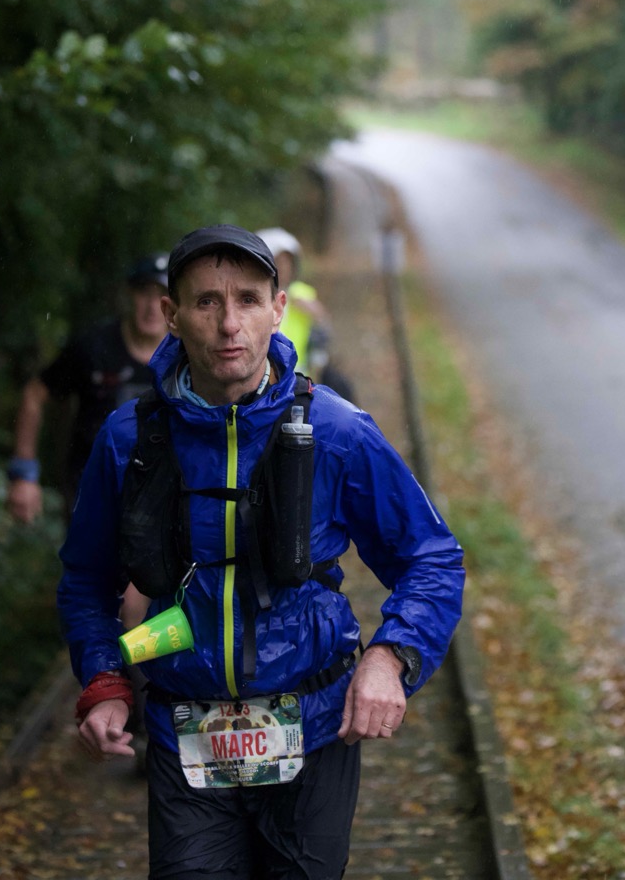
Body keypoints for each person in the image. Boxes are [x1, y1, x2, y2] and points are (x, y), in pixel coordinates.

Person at [58, 224, 464, 880]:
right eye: (206, 302)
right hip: (184, 733)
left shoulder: (336, 431)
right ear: (170, 315)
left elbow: (431, 558)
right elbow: (86, 578)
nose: (229, 324)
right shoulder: (129, 438)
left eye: (247, 300)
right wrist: (103, 680)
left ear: (278, 309)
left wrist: (391, 658)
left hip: (314, 727)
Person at [6, 252, 169, 525]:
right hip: (90, 493)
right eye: (145, 293)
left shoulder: (186, 356)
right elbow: (35, 394)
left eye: (162, 295)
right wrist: (24, 473)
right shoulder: (94, 346)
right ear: (130, 294)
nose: (152, 306)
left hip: (159, 500)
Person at [257, 226, 356, 402]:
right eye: (278, 262)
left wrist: (314, 312)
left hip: (296, 376)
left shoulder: (300, 293)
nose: (284, 268)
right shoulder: (255, 297)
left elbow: (322, 320)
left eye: (288, 263)